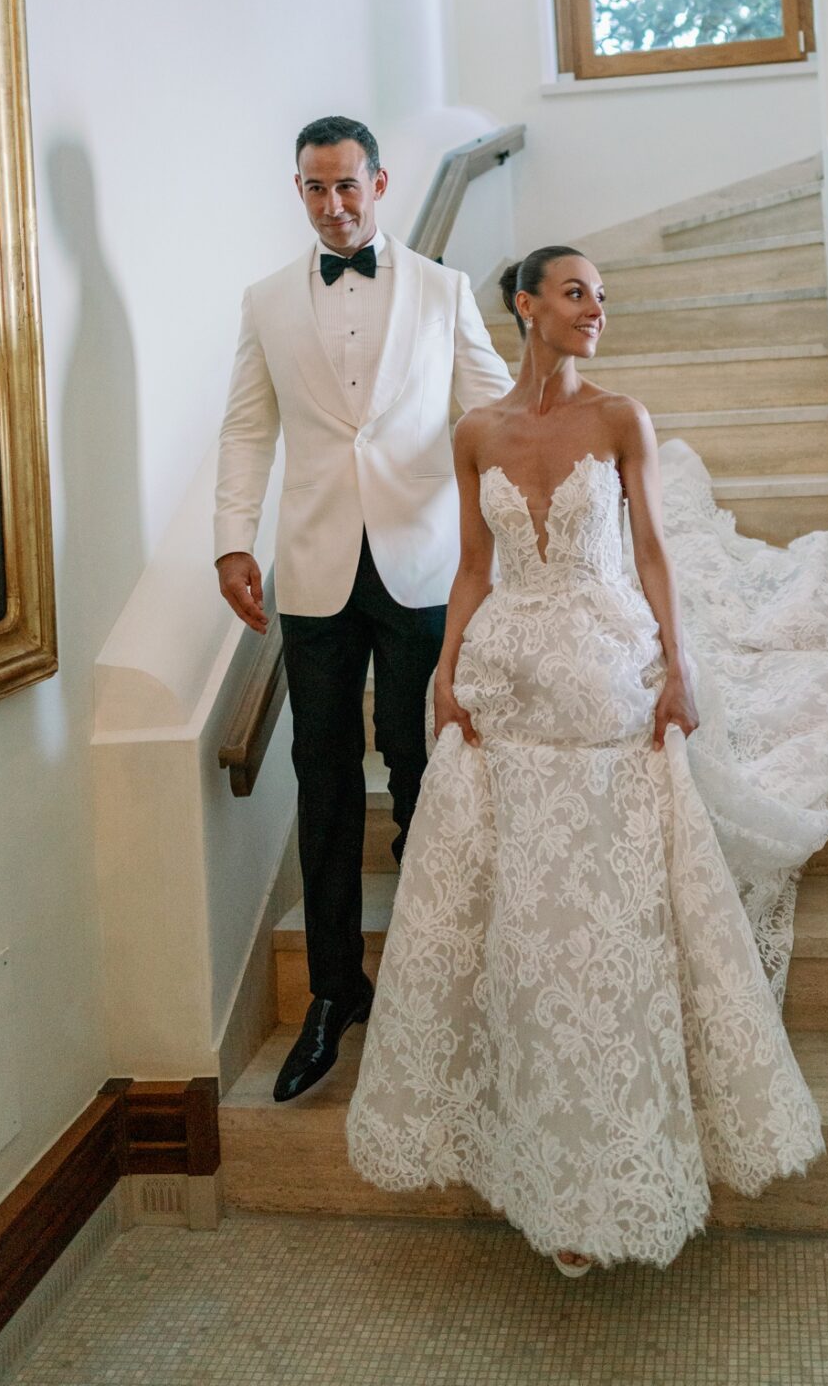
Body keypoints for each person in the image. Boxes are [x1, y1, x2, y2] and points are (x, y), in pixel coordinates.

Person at [347, 246, 828, 1272]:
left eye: (602, 296)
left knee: (604, 915)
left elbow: (651, 555)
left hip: (606, 676)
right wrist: (446, 673)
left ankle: (617, 1153)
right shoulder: (476, 432)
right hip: (507, 680)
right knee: (524, 922)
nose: (597, 309)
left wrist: (679, 668)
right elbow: (467, 567)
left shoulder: (621, 418)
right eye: (577, 292)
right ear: (526, 305)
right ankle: (527, 1144)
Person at [213, 115, 511, 1104]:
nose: (333, 205)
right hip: (313, 575)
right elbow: (249, 428)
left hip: (425, 569)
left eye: (348, 186)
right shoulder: (264, 300)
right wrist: (230, 538)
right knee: (326, 782)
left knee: (427, 771)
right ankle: (336, 991)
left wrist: (537, 511)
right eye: (314, 188)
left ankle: (440, 983)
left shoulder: (441, 288)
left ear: (380, 182)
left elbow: (493, 408)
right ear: (297, 188)